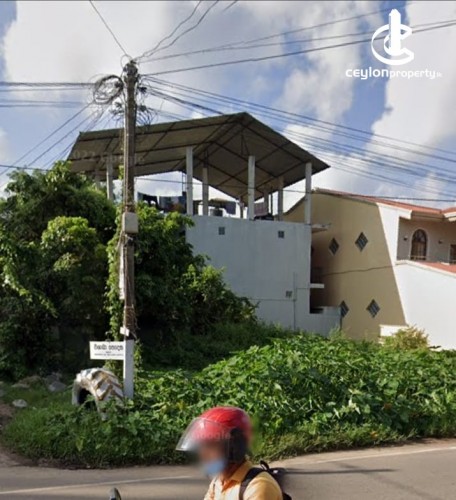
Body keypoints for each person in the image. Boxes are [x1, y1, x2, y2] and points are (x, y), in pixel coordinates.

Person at [176, 406, 284, 500]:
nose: (203, 454)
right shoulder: (217, 482)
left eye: (211, 446)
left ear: (235, 446)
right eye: (201, 446)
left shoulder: (258, 486)